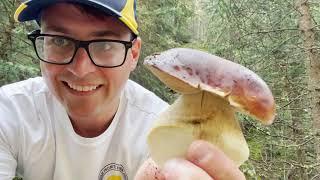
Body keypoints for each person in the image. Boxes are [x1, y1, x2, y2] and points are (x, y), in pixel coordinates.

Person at [0, 0, 245, 179]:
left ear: (133, 53)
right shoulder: (10, 111)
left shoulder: (163, 134)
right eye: (60, 41)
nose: (81, 69)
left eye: (105, 44)